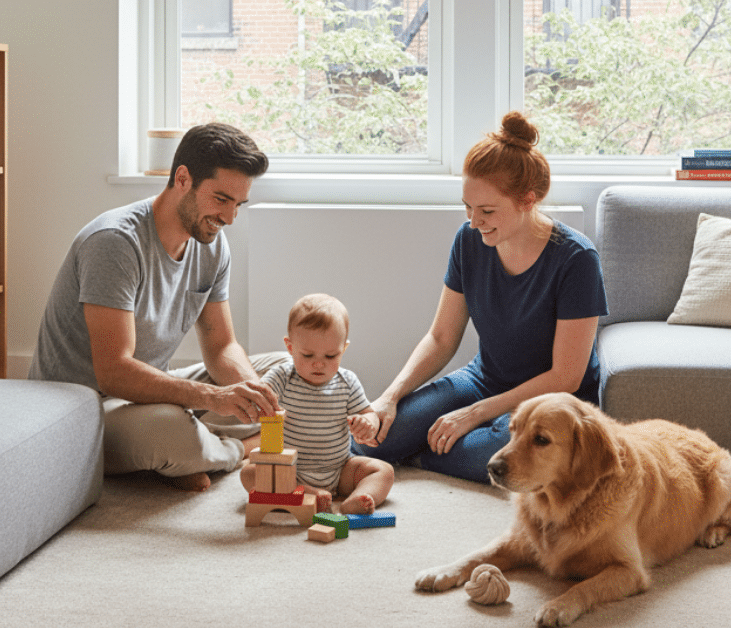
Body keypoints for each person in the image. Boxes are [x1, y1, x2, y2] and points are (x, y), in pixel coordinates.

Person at [28, 122, 287, 493]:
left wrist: (255, 394)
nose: (230, 218)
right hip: (84, 410)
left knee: (285, 372)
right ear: (183, 178)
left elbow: (221, 347)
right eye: (220, 200)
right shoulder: (115, 243)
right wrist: (215, 398)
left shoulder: (211, 243)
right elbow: (114, 373)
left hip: (147, 394)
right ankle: (233, 449)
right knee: (169, 429)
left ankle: (189, 455)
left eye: (238, 205)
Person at [352, 111, 608, 484]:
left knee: (493, 458)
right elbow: (441, 338)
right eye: (468, 207)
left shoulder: (577, 259)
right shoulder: (469, 240)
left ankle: (421, 455)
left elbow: (566, 377)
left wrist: (472, 414)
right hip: (484, 379)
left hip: (549, 402)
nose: (474, 222)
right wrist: (388, 398)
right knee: (376, 438)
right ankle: (412, 447)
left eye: (487, 211)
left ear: (527, 200)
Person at [240, 293, 394, 514]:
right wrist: (259, 407)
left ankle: (358, 498)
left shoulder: (347, 381)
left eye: (331, 356)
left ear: (344, 348)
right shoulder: (282, 376)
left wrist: (367, 423)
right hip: (287, 470)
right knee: (249, 473)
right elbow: (257, 397)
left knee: (383, 471)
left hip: (339, 470)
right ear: (291, 347)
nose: (319, 363)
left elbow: (368, 413)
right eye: (308, 355)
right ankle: (307, 493)